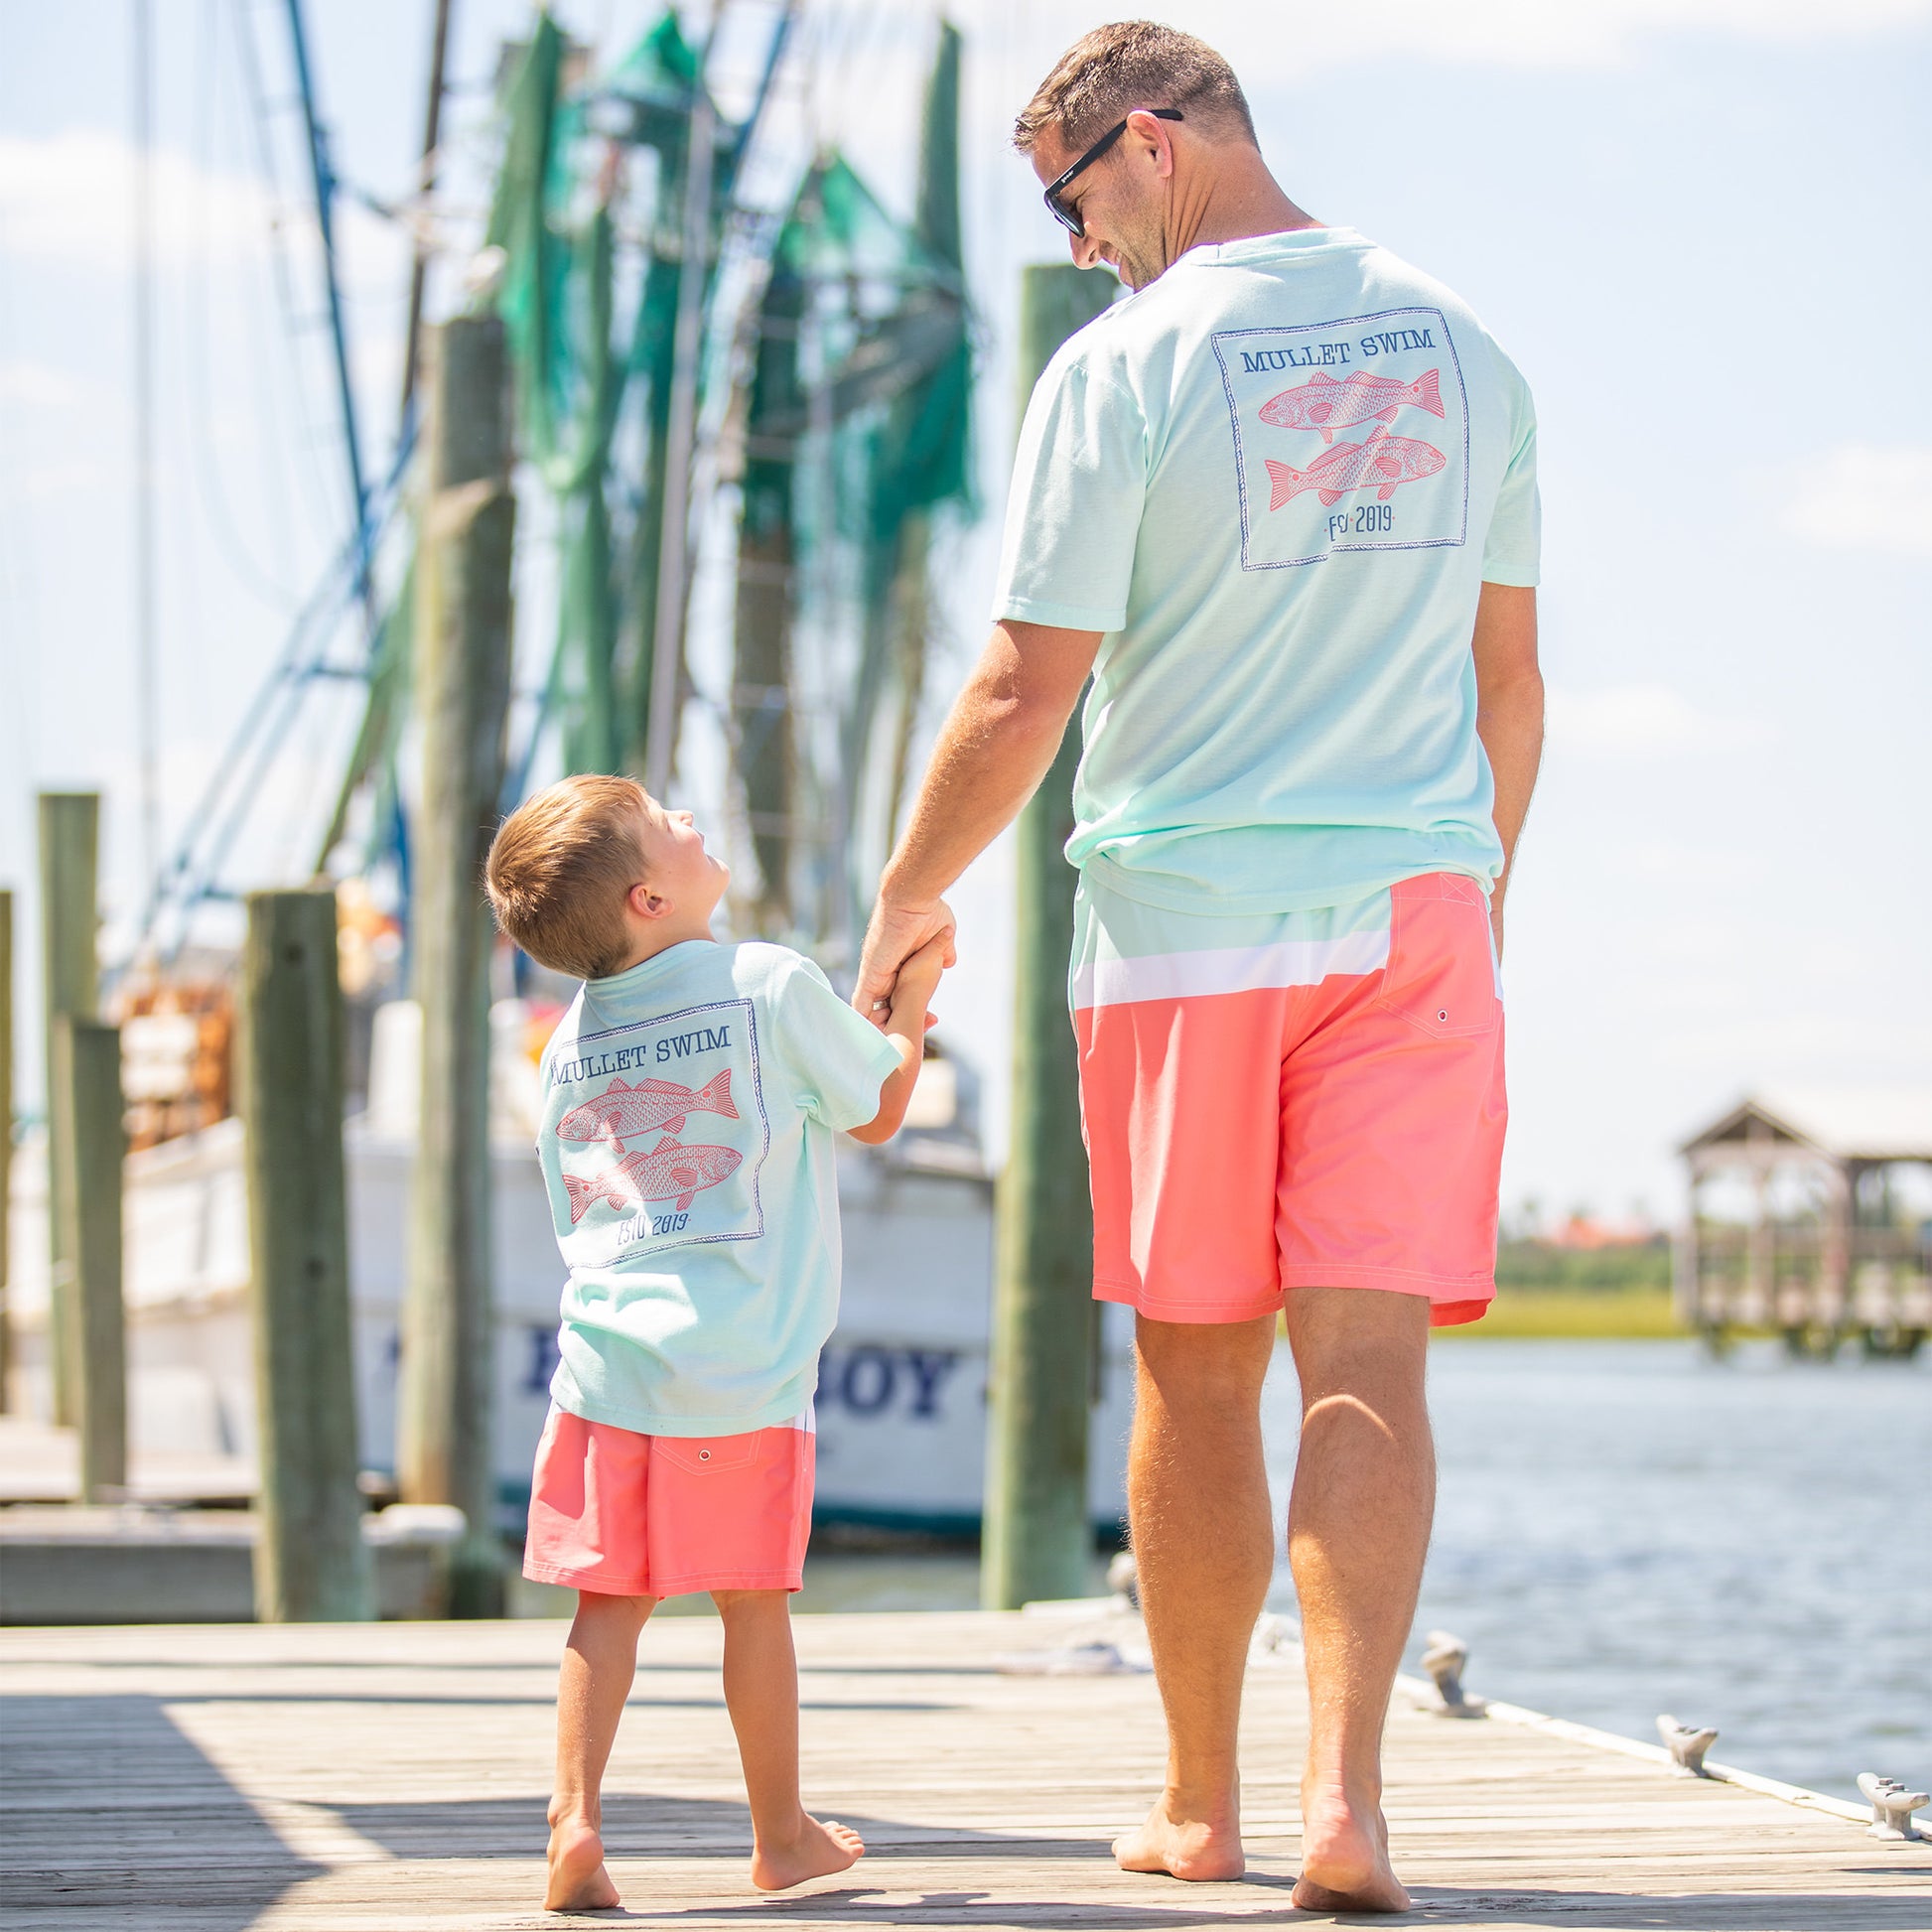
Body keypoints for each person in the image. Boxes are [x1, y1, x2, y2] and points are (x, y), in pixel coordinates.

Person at [854, 21, 1544, 1915]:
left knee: (1194, 1363)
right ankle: (1349, 1798)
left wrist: (906, 895)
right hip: (1413, 906)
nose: (1086, 248)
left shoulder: (1126, 366)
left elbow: (1023, 685)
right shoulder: (1468, 348)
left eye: (1079, 205)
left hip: (1186, 923)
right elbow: (1507, 681)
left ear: (1148, 147)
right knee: (1371, 1363)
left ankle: (1202, 1803)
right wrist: (1472, 898)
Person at [486, 774, 946, 1912]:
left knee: (606, 1607)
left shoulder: (569, 1043)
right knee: (753, 1602)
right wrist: (915, 995)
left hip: (604, 1368)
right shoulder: (768, 981)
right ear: (649, 893)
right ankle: (781, 1836)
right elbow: (877, 1107)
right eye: (666, 820)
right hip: (742, 1368)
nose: (692, 817)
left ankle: (575, 1821)